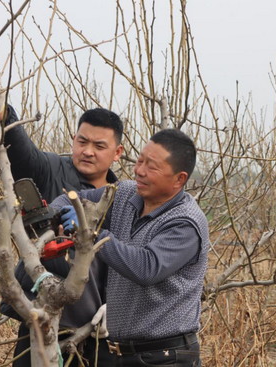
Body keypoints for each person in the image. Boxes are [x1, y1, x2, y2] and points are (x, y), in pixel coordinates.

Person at [0, 71, 123, 366]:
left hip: (99, 328)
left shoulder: (123, 198)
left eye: (99, 146)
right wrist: (5, 112)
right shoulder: (52, 169)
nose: (87, 151)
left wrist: (120, 307)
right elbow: (22, 153)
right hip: (43, 316)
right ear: (73, 139)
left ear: (117, 152)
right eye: (82, 141)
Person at [52, 128, 209, 367]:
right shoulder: (126, 194)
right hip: (122, 354)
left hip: (165, 357)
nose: (139, 171)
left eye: (152, 167)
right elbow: (73, 198)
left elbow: (146, 268)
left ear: (180, 179)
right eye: (140, 160)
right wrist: (52, 215)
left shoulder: (185, 223)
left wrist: (90, 232)